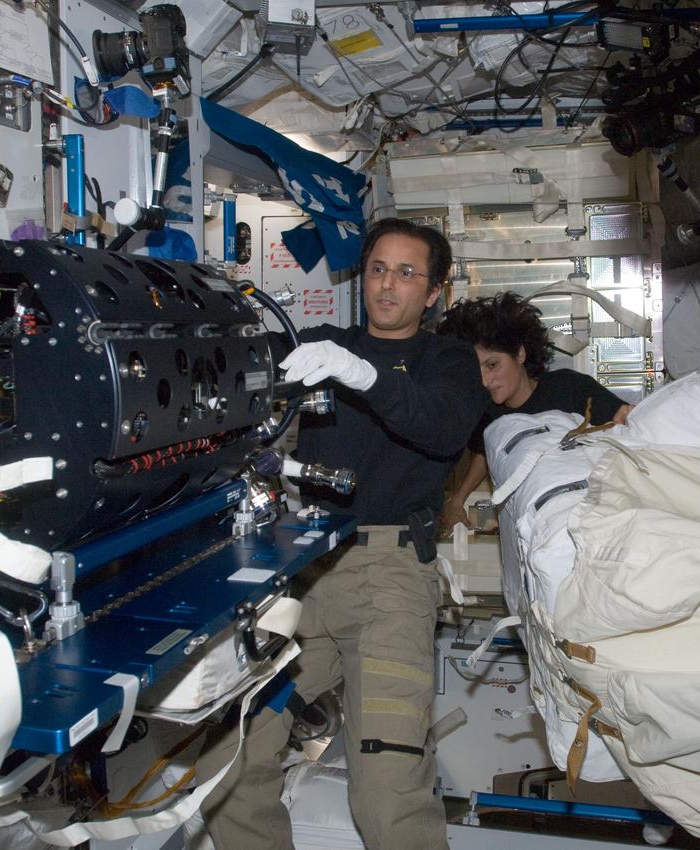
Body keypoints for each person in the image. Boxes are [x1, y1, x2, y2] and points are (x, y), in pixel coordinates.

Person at [198, 218, 485, 850]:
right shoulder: (320, 342)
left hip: (390, 580)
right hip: (302, 570)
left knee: (388, 791)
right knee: (229, 761)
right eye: (379, 269)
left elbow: (441, 427)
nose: (388, 285)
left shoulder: (450, 361)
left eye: (408, 273)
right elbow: (235, 372)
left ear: (434, 292)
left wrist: (362, 376)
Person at [435, 292, 631, 530]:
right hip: (531, 521)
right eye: (476, 372)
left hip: (594, 509)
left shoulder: (570, 388)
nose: (485, 381)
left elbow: (626, 422)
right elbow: (485, 454)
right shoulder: (486, 411)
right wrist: (458, 500)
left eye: (493, 364)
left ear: (519, 353)